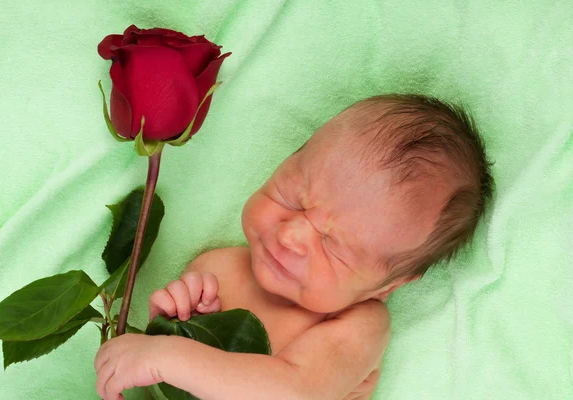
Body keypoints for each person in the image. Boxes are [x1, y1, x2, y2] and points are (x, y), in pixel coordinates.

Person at [95, 93, 494, 400]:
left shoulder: (359, 326)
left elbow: (293, 390)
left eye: (333, 247)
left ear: (386, 285)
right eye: (292, 197)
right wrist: (169, 327)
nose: (291, 236)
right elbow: (185, 382)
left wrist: (167, 357)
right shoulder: (217, 267)